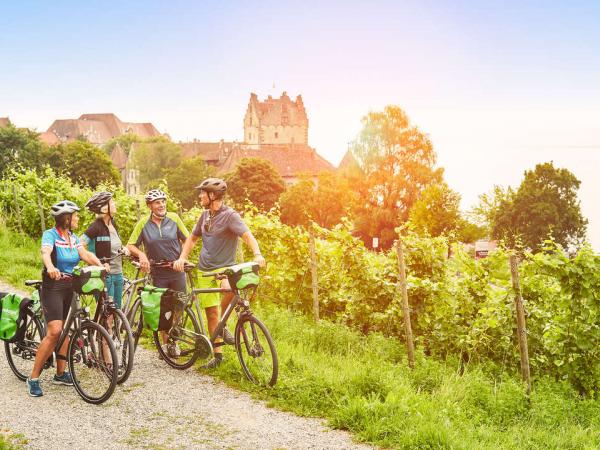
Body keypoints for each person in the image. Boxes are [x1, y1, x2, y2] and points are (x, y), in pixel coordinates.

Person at [174, 178, 265, 369]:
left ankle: (223, 326)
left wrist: (257, 254)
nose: (199, 196)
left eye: (202, 193)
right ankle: (217, 356)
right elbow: (192, 239)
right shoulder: (204, 215)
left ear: (212, 195)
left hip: (225, 270)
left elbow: (248, 236)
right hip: (205, 270)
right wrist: (182, 257)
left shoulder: (230, 216)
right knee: (212, 314)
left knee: (230, 296)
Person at [27, 200, 105, 397]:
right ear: (66, 218)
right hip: (53, 286)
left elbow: (85, 254)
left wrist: (100, 265)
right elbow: (46, 252)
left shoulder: (73, 237)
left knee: (66, 330)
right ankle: (33, 378)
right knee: (54, 331)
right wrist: (51, 267)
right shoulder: (50, 235)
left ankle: (60, 373)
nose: (78, 218)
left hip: (70, 286)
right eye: (75, 216)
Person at [126, 189, 189, 357]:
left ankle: (174, 339)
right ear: (149, 206)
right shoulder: (143, 223)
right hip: (158, 272)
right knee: (163, 308)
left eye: (163, 202)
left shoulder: (174, 218)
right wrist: (141, 254)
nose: (161, 205)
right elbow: (131, 245)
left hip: (177, 270)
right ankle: (165, 344)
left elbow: (188, 240)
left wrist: (182, 258)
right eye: (157, 202)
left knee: (179, 306)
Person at [81, 191, 129, 309]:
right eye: (111, 202)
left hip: (118, 273)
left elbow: (114, 244)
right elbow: (79, 245)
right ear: (103, 209)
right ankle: (102, 328)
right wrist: (97, 262)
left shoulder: (112, 223)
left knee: (117, 310)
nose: (114, 204)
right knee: (107, 312)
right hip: (105, 276)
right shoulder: (95, 227)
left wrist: (124, 249)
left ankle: (111, 328)